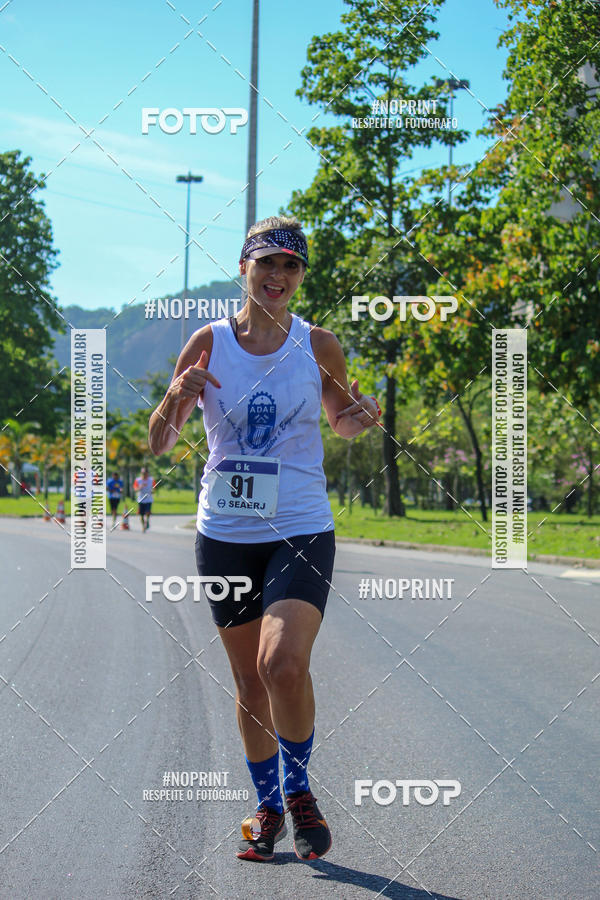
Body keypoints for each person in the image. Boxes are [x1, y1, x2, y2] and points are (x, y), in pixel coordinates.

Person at [148, 215, 380, 862]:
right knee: (249, 686)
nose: (278, 276)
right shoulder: (208, 341)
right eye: (267, 263)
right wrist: (175, 395)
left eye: (291, 266)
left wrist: (360, 418)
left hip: (301, 524)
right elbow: (161, 444)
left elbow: (341, 422)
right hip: (224, 532)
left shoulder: (319, 344)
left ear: (302, 276)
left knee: (281, 664)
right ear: (244, 267)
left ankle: (299, 791)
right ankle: (267, 807)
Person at [133, 466, 155, 532]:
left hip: (148, 499)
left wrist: (153, 491)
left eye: (145, 473)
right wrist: (140, 487)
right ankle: (143, 526)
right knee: (141, 515)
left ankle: (147, 521)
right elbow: (135, 489)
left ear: (147, 473)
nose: (144, 474)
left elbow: (154, 488)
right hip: (141, 499)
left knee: (148, 512)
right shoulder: (138, 480)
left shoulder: (151, 480)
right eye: (142, 473)